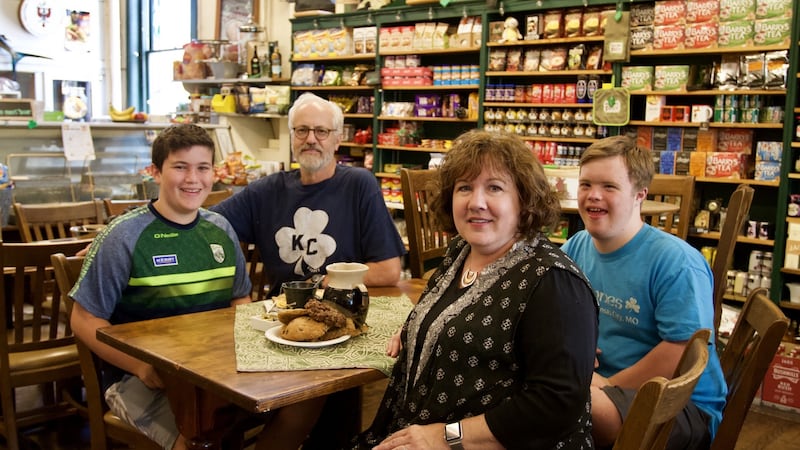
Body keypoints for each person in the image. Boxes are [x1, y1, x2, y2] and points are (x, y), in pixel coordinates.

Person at [69, 124, 317, 450]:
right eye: (180, 167)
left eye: (202, 168)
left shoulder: (221, 229)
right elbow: (84, 320)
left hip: (216, 370)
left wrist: (254, 352)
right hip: (138, 378)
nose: (193, 179)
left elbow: (239, 300)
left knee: (306, 400)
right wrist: (140, 366)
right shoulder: (123, 236)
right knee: (199, 438)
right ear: (156, 172)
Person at [355, 130, 599, 449]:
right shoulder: (461, 250)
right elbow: (453, 309)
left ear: (524, 200)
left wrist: (445, 437)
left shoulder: (553, 282)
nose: (476, 202)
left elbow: (556, 405)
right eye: (465, 187)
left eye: (494, 188)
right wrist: (419, 327)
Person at [560, 135, 727, 449]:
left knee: (561, 406)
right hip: (595, 383)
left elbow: (682, 350)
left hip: (679, 402)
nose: (593, 196)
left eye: (609, 187)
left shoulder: (676, 261)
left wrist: (607, 386)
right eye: (585, 185)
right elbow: (555, 310)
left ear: (639, 195)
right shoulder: (577, 246)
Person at [212, 92, 405, 297]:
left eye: (321, 131)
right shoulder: (265, 191)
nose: (311, 139)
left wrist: (321, 281)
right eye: (302, 130)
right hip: (280, 316)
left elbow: (388, 271)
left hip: (341, 309)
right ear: (292, 138)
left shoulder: (359, 185)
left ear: (337, 140)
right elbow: (207, 225)